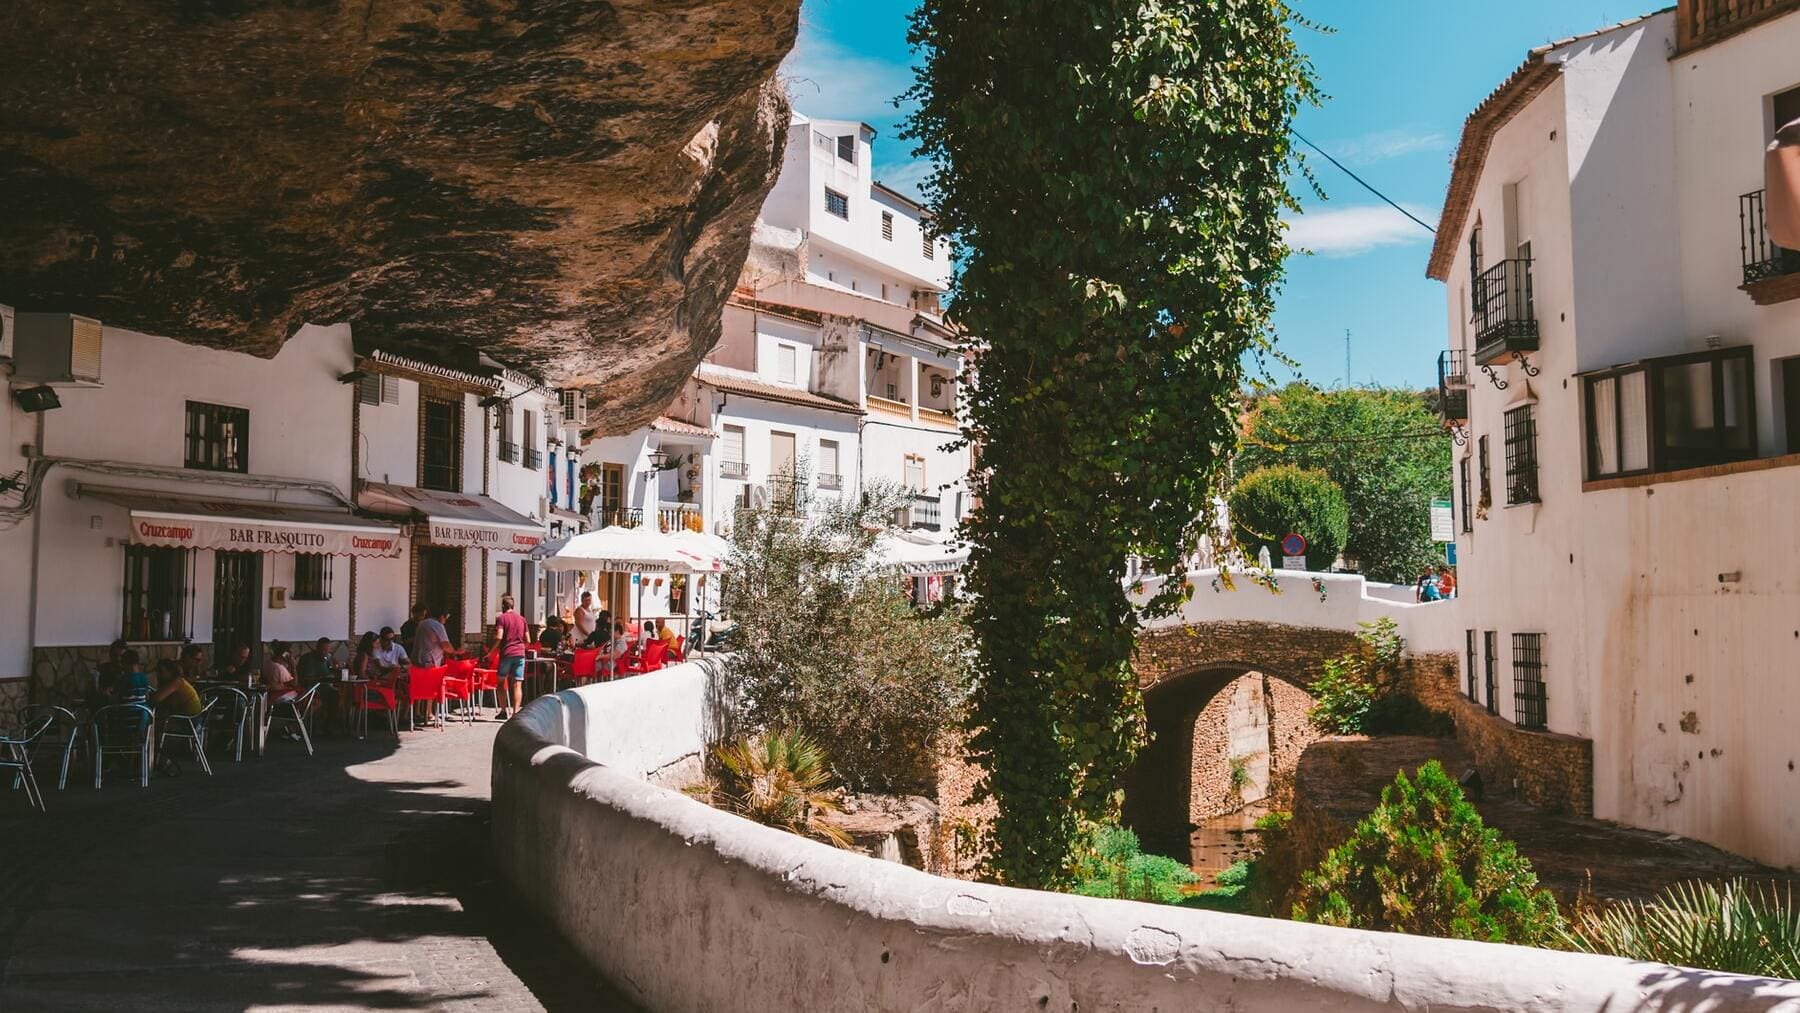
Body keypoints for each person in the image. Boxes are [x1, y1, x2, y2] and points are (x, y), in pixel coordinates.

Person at [487, 593, 530, 720]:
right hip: (520, 654)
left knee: (501, 682)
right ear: (513, 606)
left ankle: (503, 710)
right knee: (517, 684)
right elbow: (528, 639)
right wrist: (522, 648)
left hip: (506, 653)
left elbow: (499, 636)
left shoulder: (501, 618)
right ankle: (516, 713)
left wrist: (491, 652)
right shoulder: (522, 619)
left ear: (503, 606)